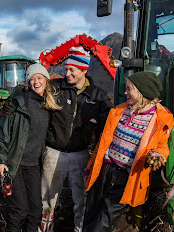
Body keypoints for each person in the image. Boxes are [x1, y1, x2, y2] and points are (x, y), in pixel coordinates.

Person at [83, 71, 174, 232]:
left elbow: (162, 145)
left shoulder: (160, 118)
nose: (125, 92)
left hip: (125, 177)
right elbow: (103, 142)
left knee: (102, 223)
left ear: (142, 92)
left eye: (129, 89)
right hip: (104, 170)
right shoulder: (120, 110)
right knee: (90, 215)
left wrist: (158, 155)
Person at [40, 47, 112, 232]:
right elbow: (33, 93)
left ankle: (80, 230)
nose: (67, 73)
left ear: (84, 70)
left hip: (80, 155)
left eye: (72, 69)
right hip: (54, 152)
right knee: (47, 202)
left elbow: (109, 124)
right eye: (66, 69)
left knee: (81, 200)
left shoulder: (98, 96)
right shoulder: (55, 88)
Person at [0, 63, 61, 232]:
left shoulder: (48, 104)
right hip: (15, 164)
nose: (36, 82)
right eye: (32, 79)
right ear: (28, 82)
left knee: (36, 210)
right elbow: (2, 133)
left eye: (39, 78)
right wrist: (0, 161)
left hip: (33, 166)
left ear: (46, 80)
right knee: (19, 210)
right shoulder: (19, 103)